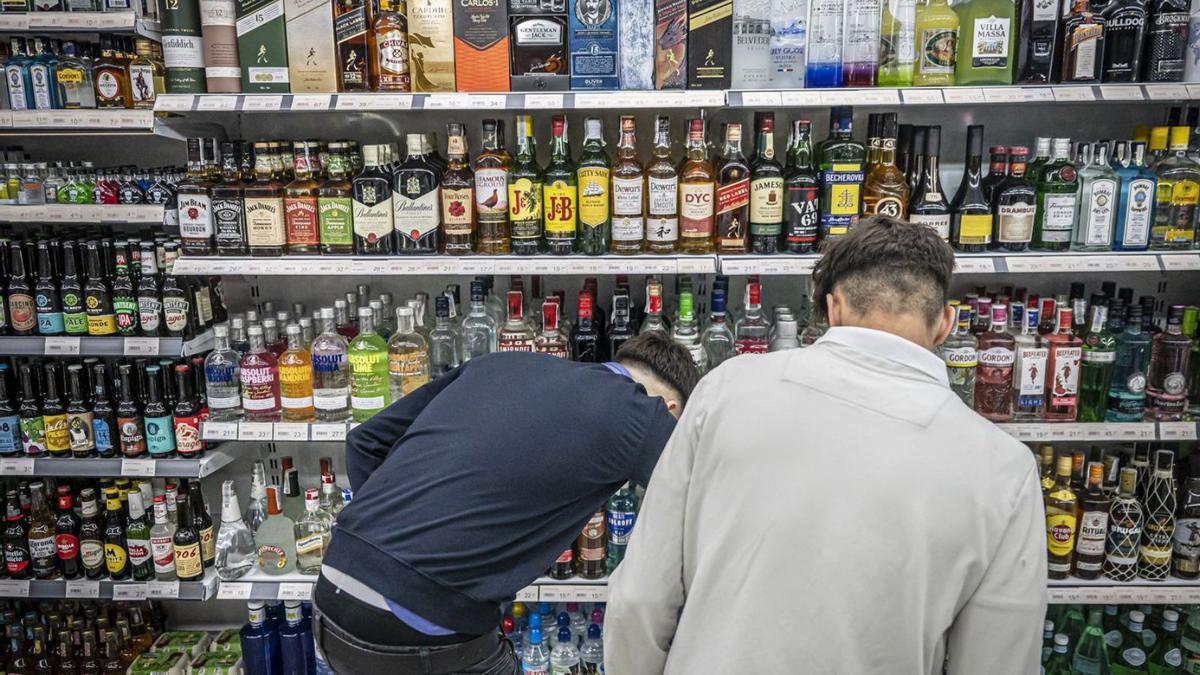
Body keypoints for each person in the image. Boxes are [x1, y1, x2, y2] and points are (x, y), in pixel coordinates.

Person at [605, 216, 1047, 674]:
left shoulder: (726, 389)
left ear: (833, 309)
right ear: (945, 325)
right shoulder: (1003, 470)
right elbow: (1000, 662)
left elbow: (638, 601)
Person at [313, 333, 699, 674]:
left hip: (330, 597)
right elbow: (702, 501)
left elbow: (365, 442)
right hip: (423, 630)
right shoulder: (643, 413)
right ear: (670, 409)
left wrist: (386, 552)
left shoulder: (499, 362)